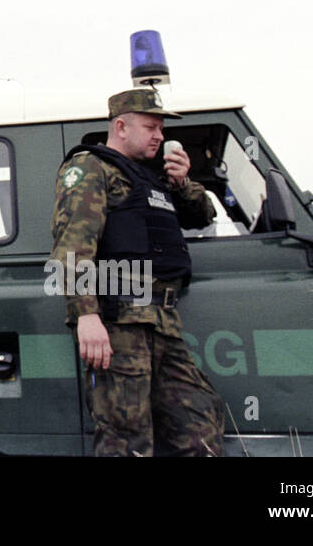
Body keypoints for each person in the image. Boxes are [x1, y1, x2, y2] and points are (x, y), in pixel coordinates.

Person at [49, 87, 225, 456]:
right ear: (121, 126)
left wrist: (182, 183)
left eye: (161, 128)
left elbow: (204, 215)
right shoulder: (90, 168)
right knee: (125, 437)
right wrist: (86, 316)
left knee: (199, 423)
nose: (160, 136)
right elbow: (73, 246)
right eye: (151, 127)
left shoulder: (152, 179)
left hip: (162, 323)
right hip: (120, 324)